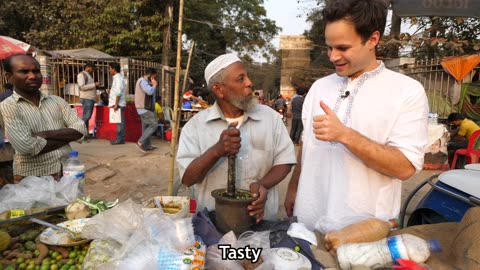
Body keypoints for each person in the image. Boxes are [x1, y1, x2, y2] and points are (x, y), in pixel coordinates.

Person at [284, 0, 429, 233]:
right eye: (329, 47)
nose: (333, 57)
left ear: (372, 39)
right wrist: (293, 187)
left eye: (343, 48)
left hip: (362, 235)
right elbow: (307, 145)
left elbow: (404, 168)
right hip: (308, 225)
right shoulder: (320, 87)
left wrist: (346, 135)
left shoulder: (406, 91)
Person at [176, 53, 296, 222]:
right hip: (214, 226)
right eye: (241, 79)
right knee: (222, 250)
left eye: (247, 76)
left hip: (262, 222)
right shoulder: (195, 127)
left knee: (255, 250)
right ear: (219, 90)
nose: (249, 83)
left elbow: (285, 160)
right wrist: (216, 151)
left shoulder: (270, 118)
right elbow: (188, 179)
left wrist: (263, 184)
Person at [0, 54, 87, 182]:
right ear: (9, 77)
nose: (32, 76)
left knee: (73, 203)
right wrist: (67, 136)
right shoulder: (8, 106)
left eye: (36, 71)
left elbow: (81, 129)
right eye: (24, 72)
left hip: (67, 171)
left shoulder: (57, 101)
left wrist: (45, 134)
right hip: (33, 178)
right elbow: (27, 147)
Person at [134, 68, 158, 152]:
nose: (154, 79)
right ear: (150, 75)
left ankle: (147, 146)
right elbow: (149, 92)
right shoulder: (143, 82)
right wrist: (154, 85)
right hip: (144, 108)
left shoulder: (145, 82)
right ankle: (140, 142)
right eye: (154, 77)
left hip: (145, 108)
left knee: (146, 127)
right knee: (154, 124)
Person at [77, 62, 100, 142]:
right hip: (87, 98)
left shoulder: (88, 75)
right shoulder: (81, 75)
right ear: (88, 67)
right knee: (86, 117)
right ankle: (82, 135)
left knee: (86, 117)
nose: (93, 70)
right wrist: (94, 85)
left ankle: (85, 135)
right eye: (92, 68)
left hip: (89, 98)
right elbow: (82, 87)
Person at [107, 62, 126, 145]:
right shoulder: (117, 78)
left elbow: (118, 93)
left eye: (110, 68)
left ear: (114, 69)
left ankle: (120, 139)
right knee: (119, 122)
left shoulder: (118, 78)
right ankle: (120, 138)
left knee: (119, 122)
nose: (109, 70)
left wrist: (116, 104)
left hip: (118, 104)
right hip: (118, 103)